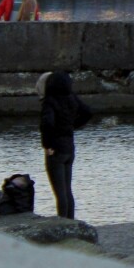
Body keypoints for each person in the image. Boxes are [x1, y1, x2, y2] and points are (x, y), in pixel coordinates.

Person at [39, 71, 93, 219]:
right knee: (68, 190)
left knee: (60, 193)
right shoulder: (71, 98)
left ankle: (62, 223)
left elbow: (47, 124)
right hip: (69, 147)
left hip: (55, 149)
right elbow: (88, 112)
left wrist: (47, 145)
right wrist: (71, 126)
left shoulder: (50, 101)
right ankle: (70, 222)